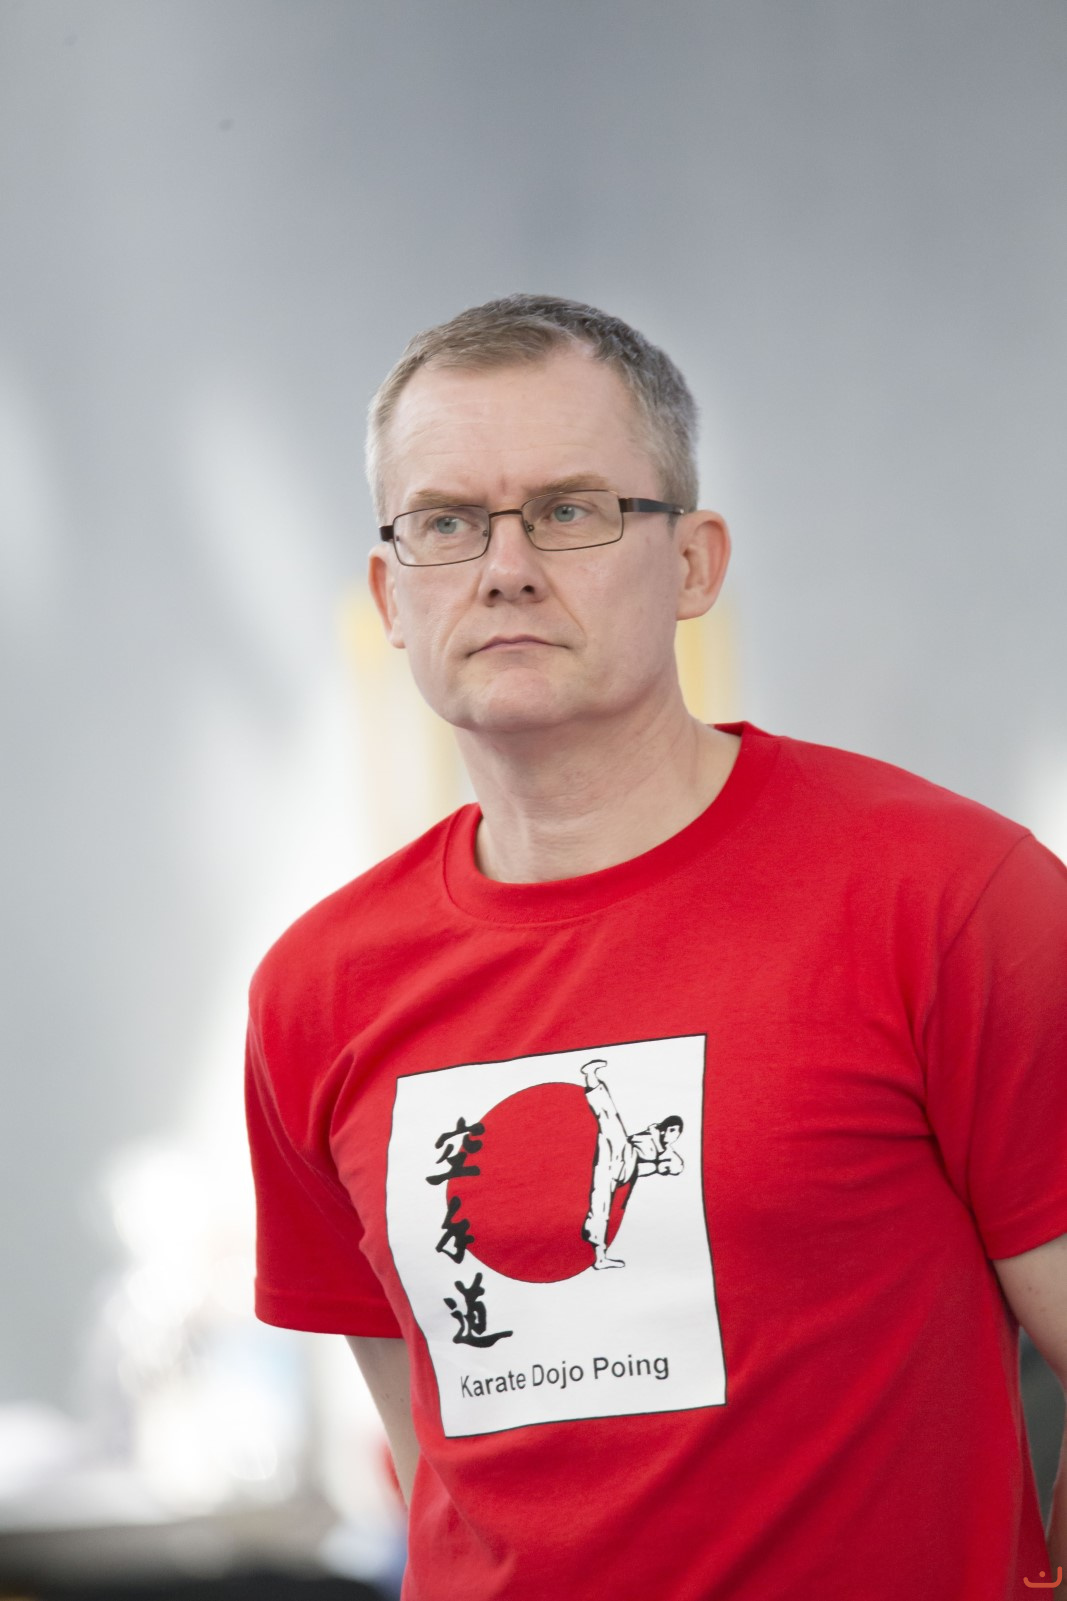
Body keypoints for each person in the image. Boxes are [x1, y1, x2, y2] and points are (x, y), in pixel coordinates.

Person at [244, 293, 1067, 1600]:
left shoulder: (951, 901)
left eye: (569, 510)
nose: (506, 567)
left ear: (693, 564)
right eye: (446, 523)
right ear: (391, 594)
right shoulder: (317, 991)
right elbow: (441, 1454)